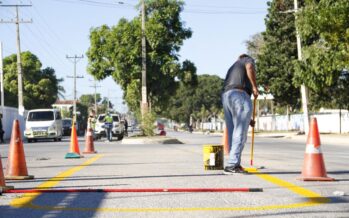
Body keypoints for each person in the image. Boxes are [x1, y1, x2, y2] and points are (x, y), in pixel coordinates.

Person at [221, 54, 259, 174]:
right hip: (240, 94)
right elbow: (250, 68)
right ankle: (232, 165)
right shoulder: (247, 60)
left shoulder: (232, 67)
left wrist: (248, 119)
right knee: (240, 132)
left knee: (233, 131)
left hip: (227, 97)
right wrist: (254, 87)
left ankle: (234, 163)